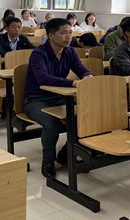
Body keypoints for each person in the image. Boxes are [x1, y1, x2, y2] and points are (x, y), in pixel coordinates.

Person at [23, 18, 92, 178]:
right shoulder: (38, 53)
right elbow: (43, 78)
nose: (68, 37)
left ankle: (65, 156)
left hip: (59, 98)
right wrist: (72, 83)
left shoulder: (70, 52)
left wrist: (87, 76)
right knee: (52, 124)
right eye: (63, 33)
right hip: (35, 99)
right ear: (51, 35)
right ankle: (48, 162)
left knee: (84, 119)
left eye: (70, 33)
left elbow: (81, 69)